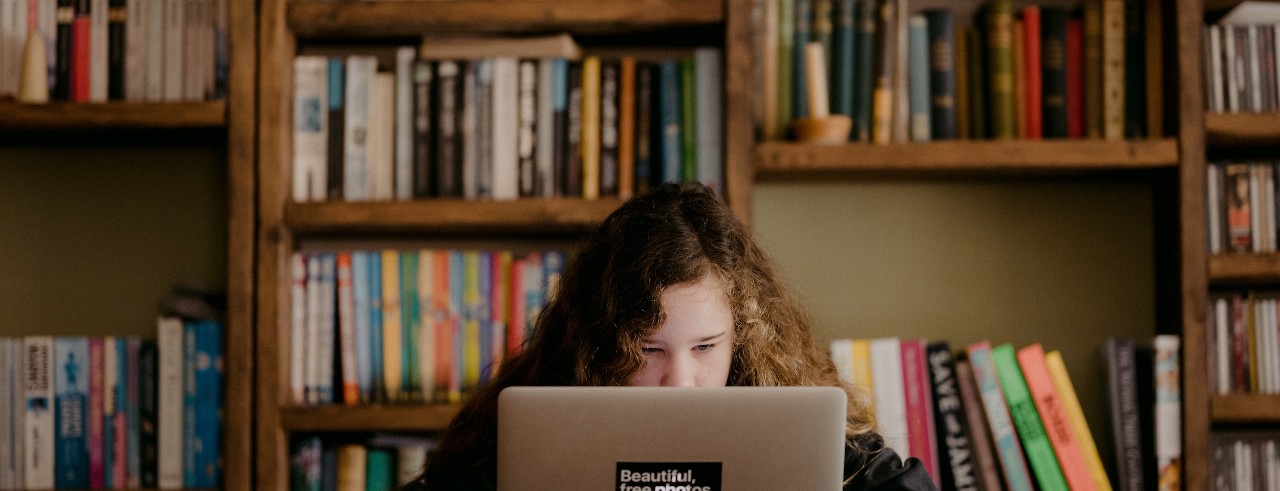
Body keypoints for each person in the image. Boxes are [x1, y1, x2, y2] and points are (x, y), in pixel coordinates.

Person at [404, 182, 934, 490]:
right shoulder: (527, 429)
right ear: (599, 342)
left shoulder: (792, 421)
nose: (680, 381)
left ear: (744, 336)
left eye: (705, 347)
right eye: (647, 349)